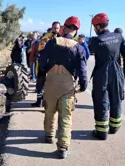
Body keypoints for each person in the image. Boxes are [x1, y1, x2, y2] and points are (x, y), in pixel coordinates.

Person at [39, 16, 88, 159]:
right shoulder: (78, 47)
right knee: (65, 116)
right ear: (77, 31)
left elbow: (42, 60)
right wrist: (83, 86)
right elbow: (82, 70)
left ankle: (49, 135)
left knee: (49, 111)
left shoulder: (53, 42)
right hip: (67, 86)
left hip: (51, 82)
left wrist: (46, 70)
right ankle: (62, 147)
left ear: (64, 28)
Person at [90, 13, 125, 140]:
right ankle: (114, 127)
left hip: (102, 73)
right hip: (117, 72)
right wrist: (123, 73)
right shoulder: (119, 36)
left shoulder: (96, 40)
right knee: (116, 99)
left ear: (97, 26)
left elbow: (87, 51)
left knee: (101, 100)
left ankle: (102, 131)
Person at [30, 22, 62, 107]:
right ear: (52, 28)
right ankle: (39, 102)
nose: (56, 30)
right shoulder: (46, 38)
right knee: (40, 85)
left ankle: (50, 103)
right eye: (55, 28)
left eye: (58, 28)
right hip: (44, 65)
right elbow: (41, 50)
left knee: (53, 86)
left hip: (56, 66)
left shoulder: (61, 38)